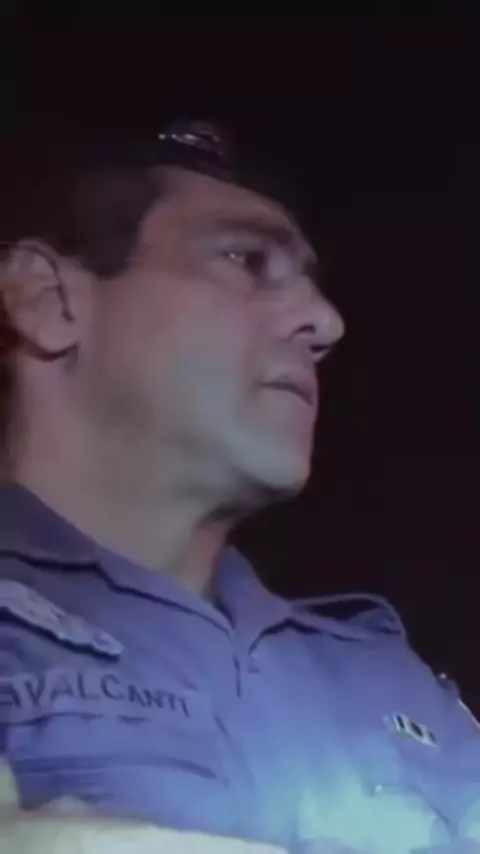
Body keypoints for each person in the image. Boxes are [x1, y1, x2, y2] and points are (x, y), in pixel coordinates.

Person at [0, 119, 478, 854]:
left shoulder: (384, 677)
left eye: (314, 286)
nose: (326, 322)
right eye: (246, 259)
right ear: (47, 301)